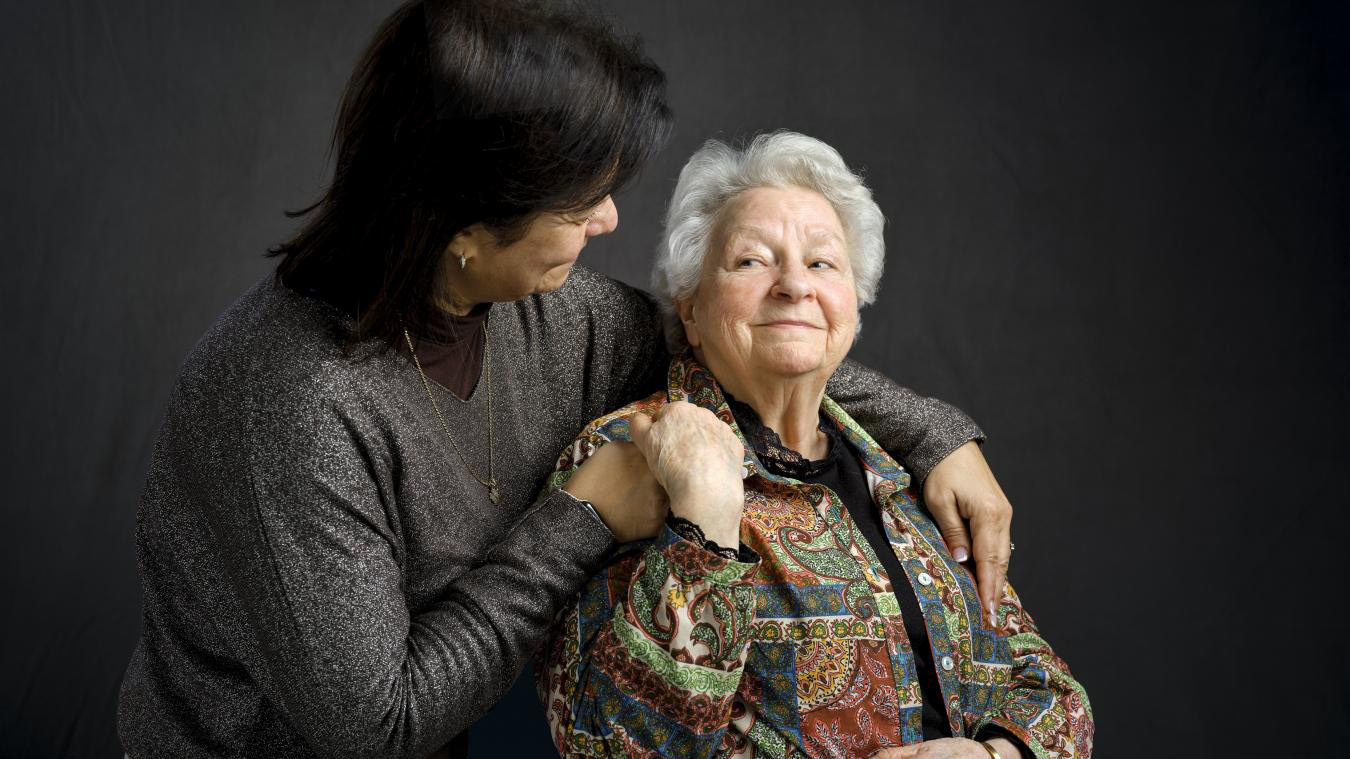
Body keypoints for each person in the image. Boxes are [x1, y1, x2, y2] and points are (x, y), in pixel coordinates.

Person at [117, 3, 1016, 758]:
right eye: (581, 201)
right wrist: (581, 516)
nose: (611, 218)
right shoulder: (294, 405)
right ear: (464, 223)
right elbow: (373, 724)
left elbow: (738, 335)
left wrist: (937, 433)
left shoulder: (542, 310)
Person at [538, 132, 1092, 759]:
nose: (794, 286)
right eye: (752, 261)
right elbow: (607, 744)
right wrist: (703, 530)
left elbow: (1048, 686)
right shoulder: (626, 457)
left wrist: (998, 755)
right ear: (689, 309)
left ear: (853, 304)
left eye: (822, 263)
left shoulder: (905, 472)